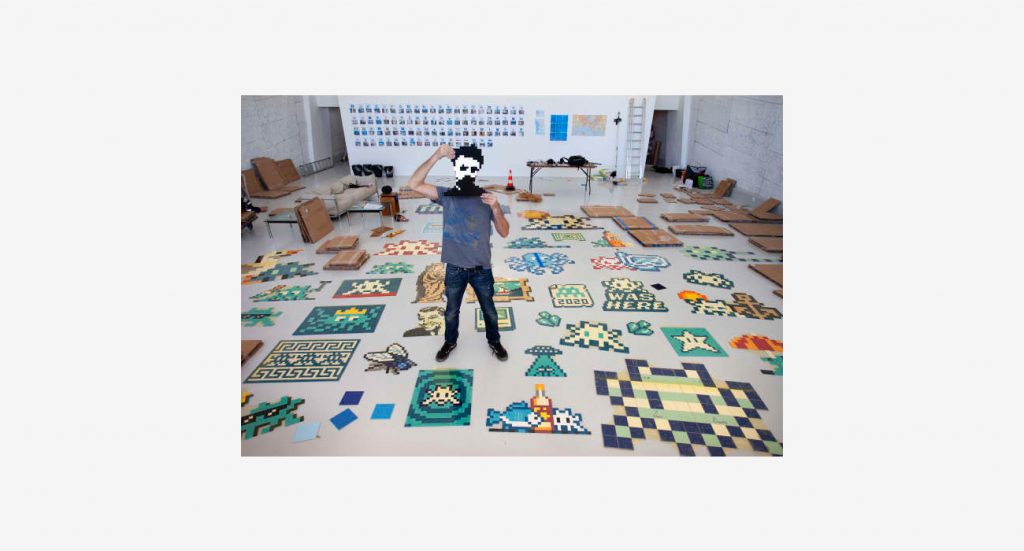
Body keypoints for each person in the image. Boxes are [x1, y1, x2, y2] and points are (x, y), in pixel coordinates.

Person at [405, 144, 510, 362]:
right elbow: (413, 184)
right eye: (462, 167)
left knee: (489, 310)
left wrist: (496, 207)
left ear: (477, 169)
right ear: (455, 168)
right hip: (454, 268)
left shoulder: (487, 199)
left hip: (481, 269)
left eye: (471, 167)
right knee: (451, 311)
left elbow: (504, 232)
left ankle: (494, 340)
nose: (466, 171)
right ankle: (450, 341)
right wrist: (436, 156)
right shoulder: (447, 195)